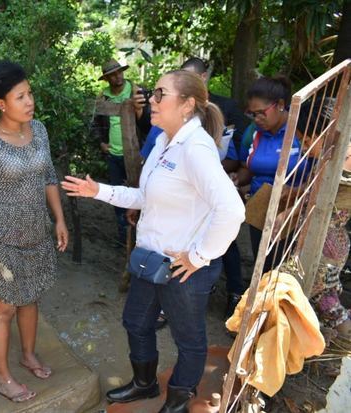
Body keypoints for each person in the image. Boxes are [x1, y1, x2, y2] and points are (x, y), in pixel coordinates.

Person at [62, 70, 244, 413]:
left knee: (188, 339)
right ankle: (145, 384)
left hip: (182, 267)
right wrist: (97, 190)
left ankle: (178, 399)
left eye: (161, 94)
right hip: (151, 258)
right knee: (136, 322)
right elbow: (146, 195)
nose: (151, 100)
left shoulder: (196, 148)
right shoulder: (164, 141)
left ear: (188, 105)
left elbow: (232, 209)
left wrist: (199, 256)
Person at [0, 61, 68, 403]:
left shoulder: (38, 130)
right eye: (20, 96)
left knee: (31, 297)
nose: (30, 101)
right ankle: (3, 377)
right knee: (4, 309)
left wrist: (59, 219)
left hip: (37, 234)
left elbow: (49, 177)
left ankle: (27, 354)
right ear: (1, 103)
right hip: (1, 241)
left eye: (30, 94)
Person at [180, 57, 246, 316]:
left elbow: (239, 151)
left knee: (225, 240)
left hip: (217, 182)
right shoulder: (177, 107)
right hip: (186, 187)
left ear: (204, 77)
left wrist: (217, 173)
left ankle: (234, 292)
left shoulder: (227, 106)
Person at [233, 75, 307, 273]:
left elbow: (322, 173)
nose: (257, 119)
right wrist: (238, 178)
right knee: (264, 266)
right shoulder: (254, 133)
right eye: (252, 114)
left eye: (261, 113)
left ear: (280, 105)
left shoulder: (302, 130)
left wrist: (294, 191)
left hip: (295, 212)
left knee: (289, 271)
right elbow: (248, 167)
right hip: (261, 210)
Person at [91, 58, 150, 244]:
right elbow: (96, 124)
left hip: (135, 154)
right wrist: (101, 142)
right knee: (116, 194)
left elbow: (148, 121)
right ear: (106, 78)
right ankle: (122, 235)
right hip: (113, 155)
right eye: (112, 75)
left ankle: (140, 235)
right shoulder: (103, 97)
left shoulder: (136, 91)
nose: (117, 77)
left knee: (139, 193)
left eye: (119, 72)